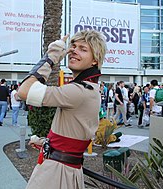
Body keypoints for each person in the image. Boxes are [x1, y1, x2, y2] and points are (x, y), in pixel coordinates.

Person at [18, 30, 107, 189]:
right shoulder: (88, 89)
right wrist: (47, 143)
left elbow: (23, 91)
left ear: (95, 60)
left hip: (56, 173)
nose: (73, 50)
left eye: (83, 48)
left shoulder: (79, 91)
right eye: (73, 46)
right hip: (62, 169)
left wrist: (52, 56)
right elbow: (74, 138)